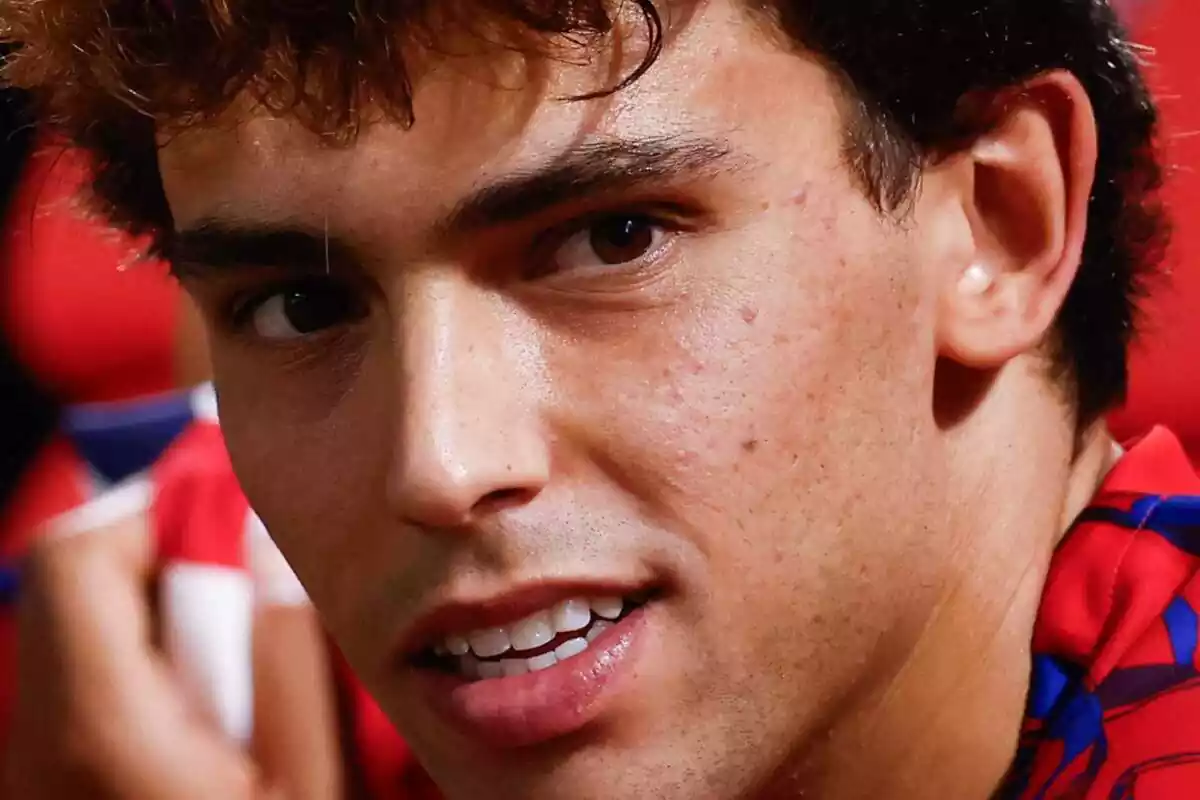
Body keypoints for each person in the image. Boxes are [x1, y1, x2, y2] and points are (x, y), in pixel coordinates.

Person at [0, 0, 1188, 798]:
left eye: (613, 239)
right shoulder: (151, 677)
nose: (438, 462)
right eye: (300, 309)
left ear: (1000, 225)